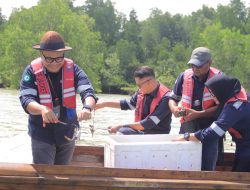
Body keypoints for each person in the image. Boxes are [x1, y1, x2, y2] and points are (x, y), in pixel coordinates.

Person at [19, 31, 97, 165]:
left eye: (59, 58)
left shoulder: (74, 70)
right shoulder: (31, 72)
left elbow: (87, 91)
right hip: (41, 134)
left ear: (64, 55)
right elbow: (26, 100)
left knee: (63, 175)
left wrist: (87, 107)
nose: (54, 63)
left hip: (67, 133)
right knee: (45, 176)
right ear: (41, 54)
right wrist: (42, 109)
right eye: (49, 59)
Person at [173, 75, 250, 172]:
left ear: (221, 91)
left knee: (240, 177)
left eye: (213, 94)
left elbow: (214, 132)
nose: (213, 98)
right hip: (243, 144)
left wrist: (186, 137)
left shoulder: (235, 108)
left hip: (247, 148)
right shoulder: (237, 93)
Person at [168, 47, 222, 171]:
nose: (195, 68)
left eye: (199, 66)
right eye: (193, 65)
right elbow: (172, 98)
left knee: (207, 164)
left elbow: (223, 107)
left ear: (209, 63)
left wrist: (198, 114)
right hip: (188, 124)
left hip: (210, 126)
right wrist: (174, 109)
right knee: (182, 161)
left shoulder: (219, 78)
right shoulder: (184, 76)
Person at [95, 66, 172, 135]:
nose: (138, 87)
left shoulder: (166, 98)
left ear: (148, 82)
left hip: (156, 136)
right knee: (120, 132)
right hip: (141, 132)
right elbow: (129, 104)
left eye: (139, 85)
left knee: (121, 132)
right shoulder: (141, 92)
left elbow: (149, 123)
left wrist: (120, 126)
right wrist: (104, 104)